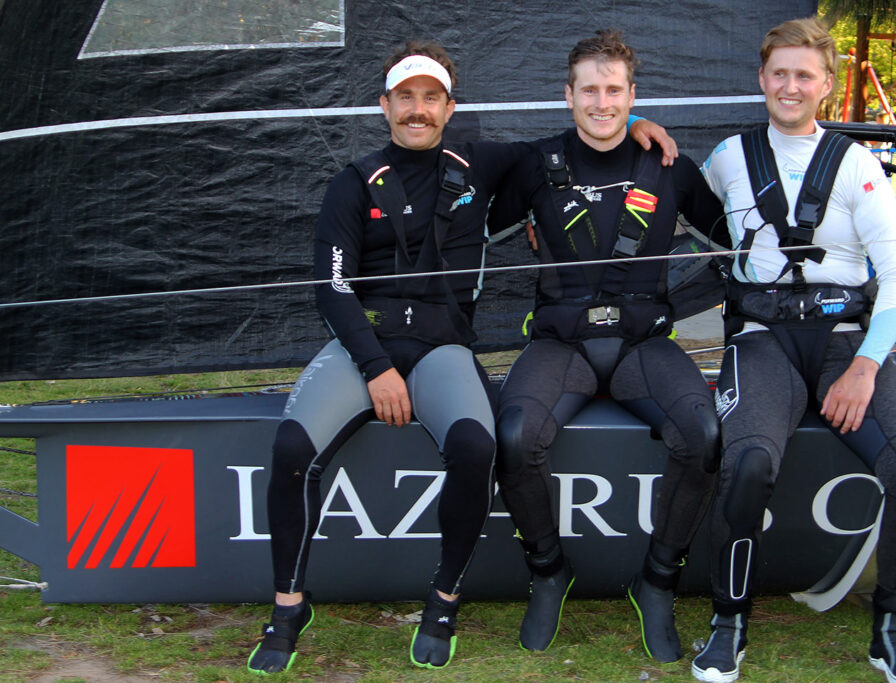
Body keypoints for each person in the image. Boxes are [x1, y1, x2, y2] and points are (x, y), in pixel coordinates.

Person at [245, 39, 679, 674]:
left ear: (450, 107)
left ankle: (444, 602)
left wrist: (635, 122)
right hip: (363, 347)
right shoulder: (351, 182)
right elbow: (331, 288)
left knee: (478, 446)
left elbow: (581, 142)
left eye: (430, 98)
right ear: (384, 105)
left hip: (443, 348)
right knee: (289, 452)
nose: (417, 110)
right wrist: (375, 368)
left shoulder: (481, 162)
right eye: (405, 98)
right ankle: (288, 607)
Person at [693, 17, 896, 683]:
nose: (790, 86)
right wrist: (641, 137)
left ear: (827, 85)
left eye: (805, 75)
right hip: (762, 341)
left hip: (842, 345)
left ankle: (891, 629)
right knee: (746, 464)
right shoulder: (727, 158)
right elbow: (680, 211)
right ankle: (729, 621)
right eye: (780, 72)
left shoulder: (858, 165)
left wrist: (866, 367)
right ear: (761, 78)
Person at [488, 29, 724, 663]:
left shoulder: (670, 166)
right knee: (512, 437)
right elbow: (469, 217)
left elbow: (734, 244)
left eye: (614, 91)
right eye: (588, 90)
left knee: (702, 434)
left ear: (632, 96)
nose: (601, 102)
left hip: (643, 345)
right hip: (561, 345)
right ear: (567, 97)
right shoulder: (535, 164)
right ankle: (547, 572)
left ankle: (657, 582)